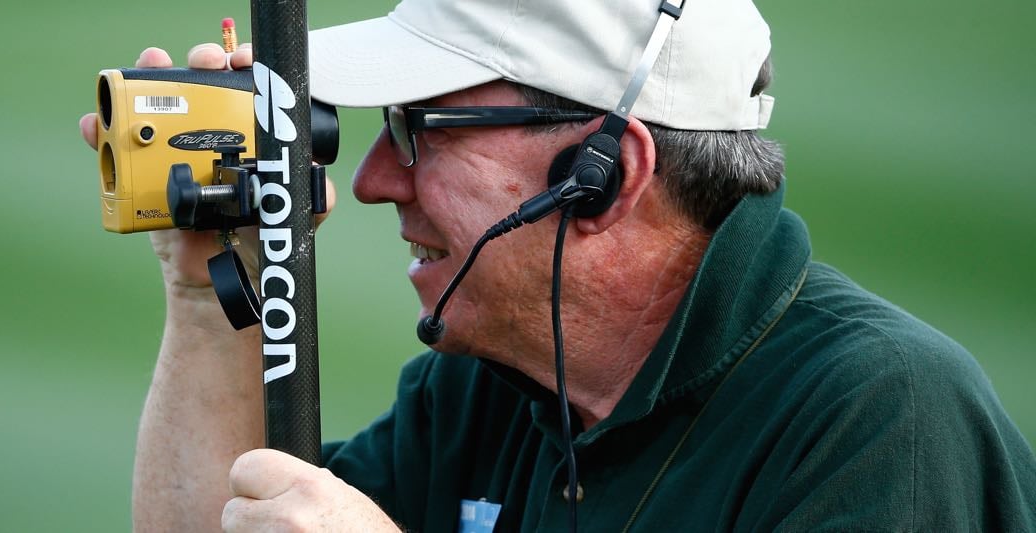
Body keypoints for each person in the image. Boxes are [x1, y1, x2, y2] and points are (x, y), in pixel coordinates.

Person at [80, 0, 1036, 530]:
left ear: (602, 175)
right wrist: (208, 297)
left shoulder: (884, 420)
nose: (370, 180)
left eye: (419, 129)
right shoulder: (488, 388)